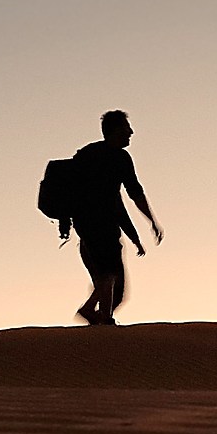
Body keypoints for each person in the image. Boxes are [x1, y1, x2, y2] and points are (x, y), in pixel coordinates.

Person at [60, 109, 162, 325]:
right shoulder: (119, 158)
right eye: (127, 128)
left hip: (85, 226)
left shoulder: (87, 154)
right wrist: (151, 222)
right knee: (111, 278)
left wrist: (135, 236)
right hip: (101, 226)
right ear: (116, 130)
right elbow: (134, 193)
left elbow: (118, 203)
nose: (131, 132)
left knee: (107, 278)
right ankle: (98, 317)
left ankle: (102, 319)